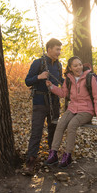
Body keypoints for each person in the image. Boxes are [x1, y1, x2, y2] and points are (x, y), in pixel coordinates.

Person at [45, 56, 97, 168]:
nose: (78, 67)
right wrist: (51, 87)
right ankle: (53, 154)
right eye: (75, 65)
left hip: (86, 110)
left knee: (72, 125)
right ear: (70, 68)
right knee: (61, 123)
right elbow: (63, 94)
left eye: (80, 64)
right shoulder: (69, 79)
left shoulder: (90, 78)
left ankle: (68, 155)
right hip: (72, 108)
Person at [24, 38, 63, 175]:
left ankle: (52, 156)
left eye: (60, 49)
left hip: (55, 102)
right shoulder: (38, 63)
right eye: (57, 49)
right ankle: (31, 160)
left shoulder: (59, 65)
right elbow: (27, 81)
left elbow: (61, 81)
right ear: (49, 49)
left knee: (53, 129)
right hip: (40, 102)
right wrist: (39, 77)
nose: (59, 52)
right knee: (36, 132)